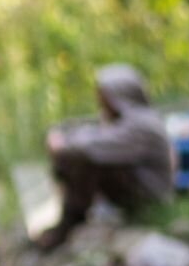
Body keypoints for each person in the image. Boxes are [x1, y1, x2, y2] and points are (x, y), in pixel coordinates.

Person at [40, 63, 176, 249]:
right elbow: (89, 135)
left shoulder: (142, 124)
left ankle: (70, 222)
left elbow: (94, 147)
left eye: (103, 95)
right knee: (71, 158)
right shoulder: (125, 121)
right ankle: (69, 221)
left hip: (150, 197)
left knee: (82, 159)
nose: (100, 100)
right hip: (139, 191)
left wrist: (62, 144)